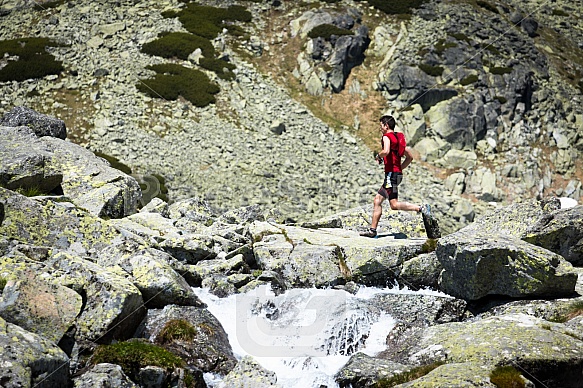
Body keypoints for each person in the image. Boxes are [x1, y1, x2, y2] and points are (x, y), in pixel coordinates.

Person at [360, 115, 430, 238]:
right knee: (385, 202)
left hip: (391, 175)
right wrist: (400, 169)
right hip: (395, 175)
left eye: (381, 125)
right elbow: (410, 157)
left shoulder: (386, 137)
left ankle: (420, 208)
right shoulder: (398, 138)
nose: (380, 128)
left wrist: (378, 156)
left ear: (386, 126)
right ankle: (420, 208)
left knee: (385, 203)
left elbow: (386, 151)